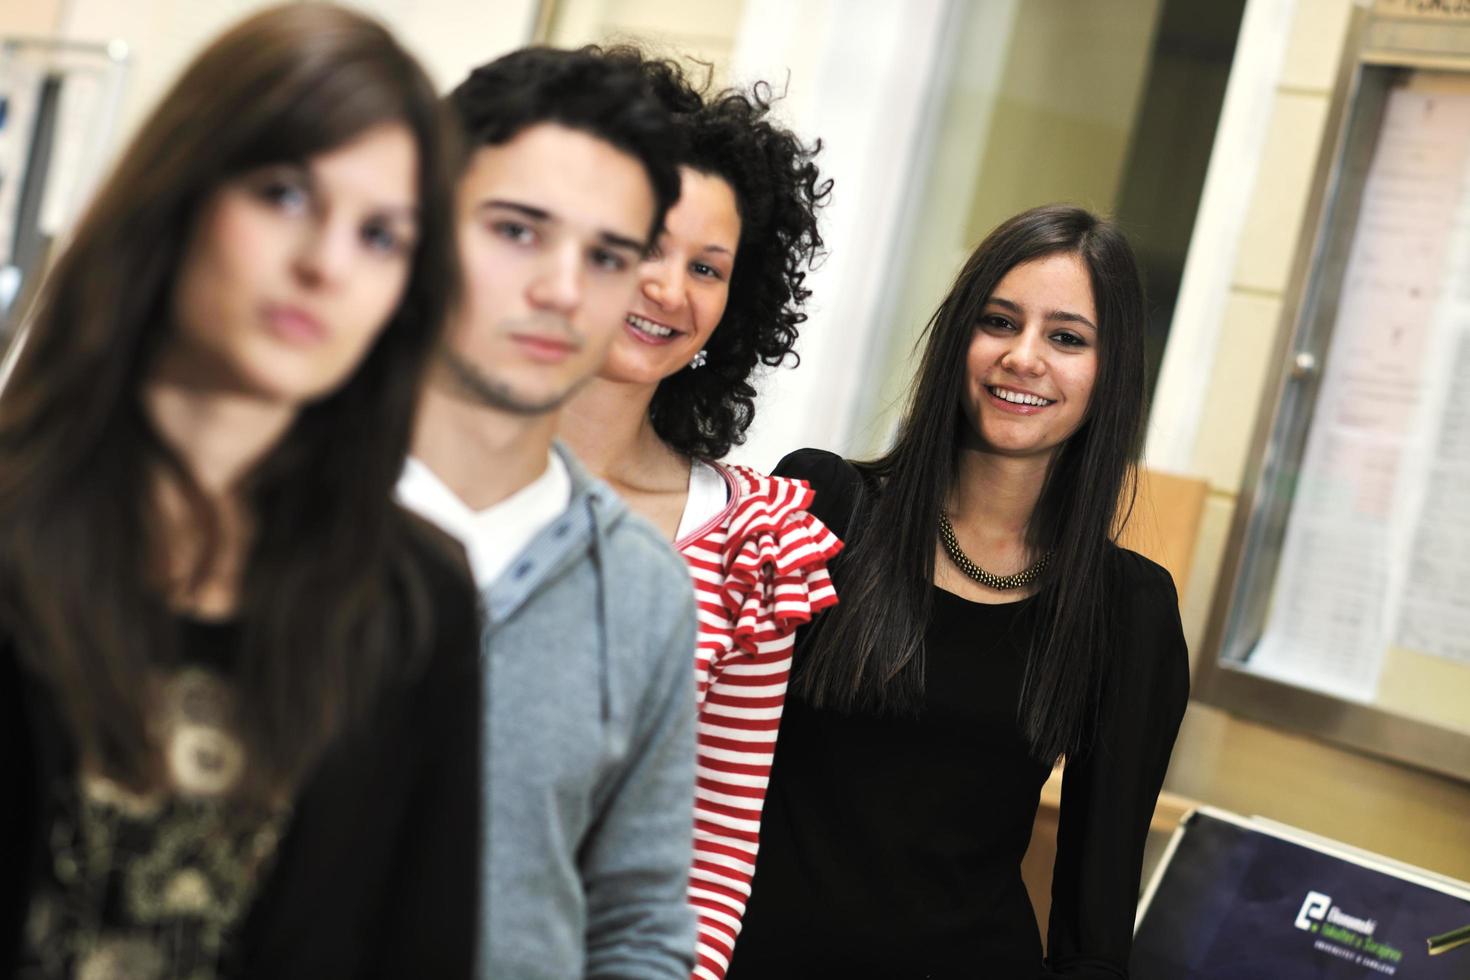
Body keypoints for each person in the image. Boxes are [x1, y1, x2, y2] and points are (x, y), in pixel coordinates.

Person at [0, 5, 480, 979]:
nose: (326, 265)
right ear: (181, 191)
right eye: (285, 193)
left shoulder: (415, 601)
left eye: (382, 235)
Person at [729, 205, 1191, 978]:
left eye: (1067, 338)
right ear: (957, 340)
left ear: (1110, 376)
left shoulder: (1127, 609)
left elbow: (1094, 923)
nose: (1024, 357)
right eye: (999, 322)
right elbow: (702, 770)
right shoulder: (824, 506)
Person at [396, 47, 699, 979]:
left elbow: (642, 923)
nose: (564, 289)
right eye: (519, 230)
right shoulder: (267, 509)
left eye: (609, 255)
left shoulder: (643, 591)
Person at [557, 56, 840, 980]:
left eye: (708, 268)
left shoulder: (752, 543)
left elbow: (713, 857)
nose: (670, 291)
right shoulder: (428, 466)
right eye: (646, 246)